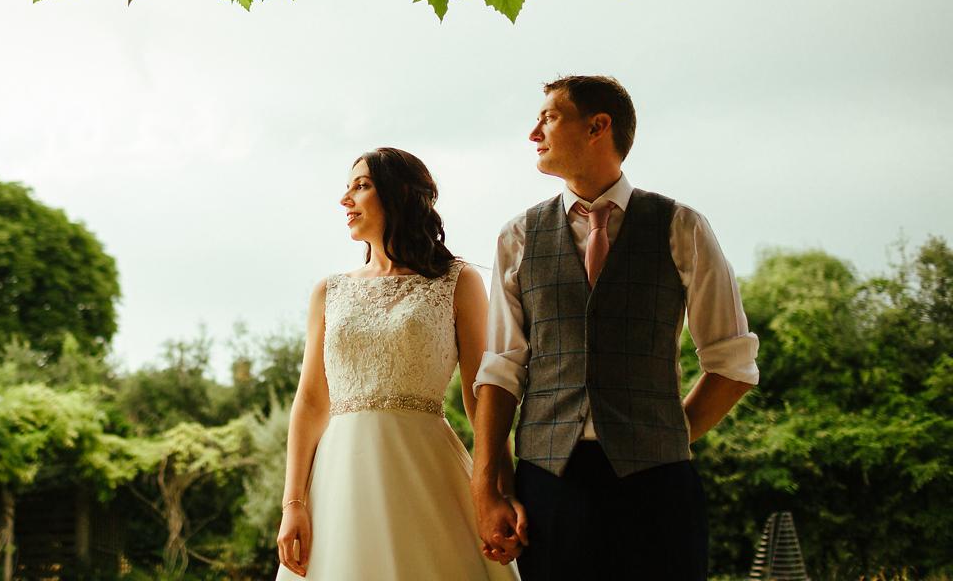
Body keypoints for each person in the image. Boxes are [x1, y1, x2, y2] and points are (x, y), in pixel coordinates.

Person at [471, 76, 761, 580]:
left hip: (657, 488)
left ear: (598, 126)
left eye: (549, 117)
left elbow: (731, 364)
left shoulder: (682, 226)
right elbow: (500, 372)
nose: (533, 131)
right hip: (548, 487)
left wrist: (667, 435)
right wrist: (487, 490)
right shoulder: (516, 237)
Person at [276, 147, 519, 581]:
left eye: (361, 186)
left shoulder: (458, 281)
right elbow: (311, 401)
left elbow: (480, 396)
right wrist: (293, 503)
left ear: (401, 194)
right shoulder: (328, 292)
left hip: (426, 475)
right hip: (340, 482)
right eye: (346, 188)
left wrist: (501, 488)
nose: (345, 199)